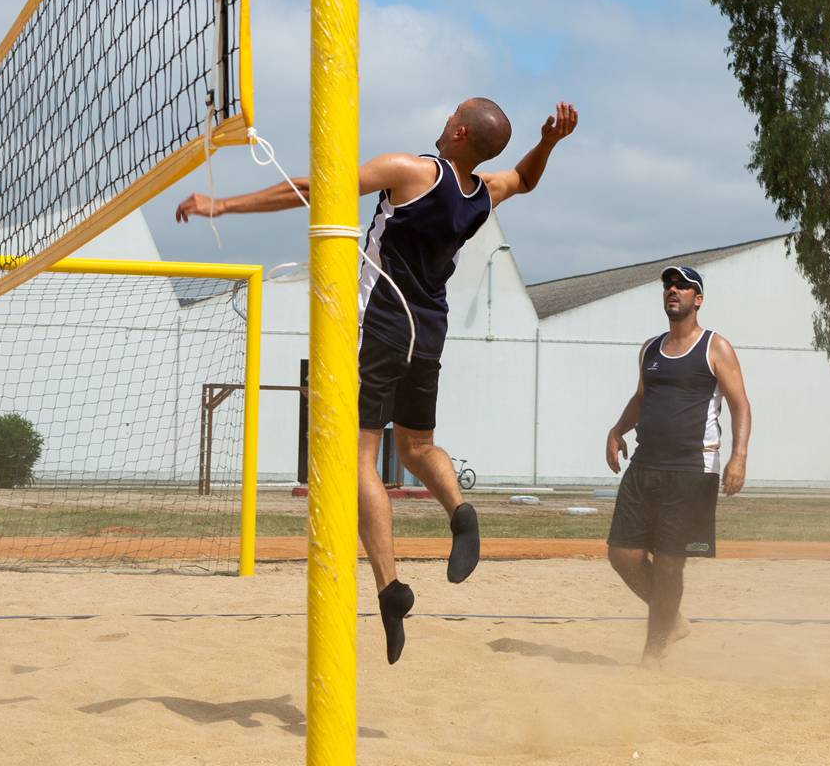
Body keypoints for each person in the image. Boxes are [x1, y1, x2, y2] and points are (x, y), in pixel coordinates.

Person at [176, 98, 578, 663]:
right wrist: (550, 142)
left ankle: (390, 587)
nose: (442, 121)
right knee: (417, 447)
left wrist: (224, 204)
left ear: (458, 131)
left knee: (359, 458)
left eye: (452, 116)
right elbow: (524, 180)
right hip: (430, 330)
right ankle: (460, 513)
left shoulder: (413, 171)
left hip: (384, 326)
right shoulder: (482, 193)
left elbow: (314, 188)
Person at [604, 265, 752, 665]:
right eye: (669, 285)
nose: (673, 290)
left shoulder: (714, 347)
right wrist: (618, 430)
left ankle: (654, 650)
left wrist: (738, 457)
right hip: (646, 463)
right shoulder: (650, 349)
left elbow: (740, 405)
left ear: (697, 299)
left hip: (692, 468)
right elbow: (641, 398)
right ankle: (673, 619)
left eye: (683, 286)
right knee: (622, 554)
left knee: (670, 561)